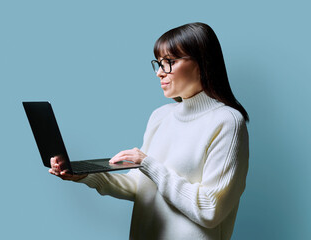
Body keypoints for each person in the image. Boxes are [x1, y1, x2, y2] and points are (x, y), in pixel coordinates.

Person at [49, 22, 249, 240]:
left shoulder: (227, 122)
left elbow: (210, 209)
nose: (160, 73)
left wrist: (148, 164)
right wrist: (85, 175)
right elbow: (139, 187)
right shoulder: (160, 116)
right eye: (159, 63)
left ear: (202, 63)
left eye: (170, 62)